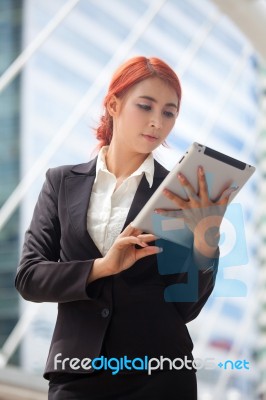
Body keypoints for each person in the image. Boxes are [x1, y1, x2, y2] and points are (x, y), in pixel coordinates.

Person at [16, 56, 234, 400]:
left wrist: (204, 243)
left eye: (168, 112)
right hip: (76, 374)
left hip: (159, 376)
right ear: (113, 104)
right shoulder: (61, 183)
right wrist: (103, 267)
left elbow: (186, 307)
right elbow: (29, 278)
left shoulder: (178, 193)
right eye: (145, 106)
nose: (156, 122)